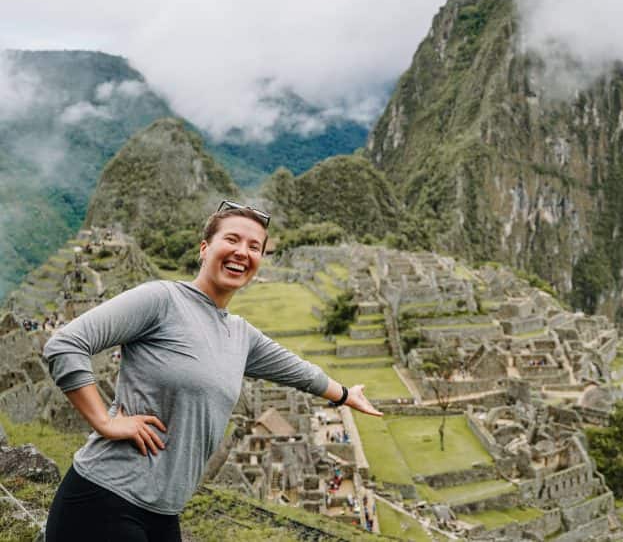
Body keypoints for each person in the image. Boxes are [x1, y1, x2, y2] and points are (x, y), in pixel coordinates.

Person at [42, 201, 382, 541]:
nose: (241, 252)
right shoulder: (162, 301)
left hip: (162, 510)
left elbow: (296, 370)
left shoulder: (240, 334)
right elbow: (65, 344)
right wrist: (105, 421)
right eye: (231, 239)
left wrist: (345, 395)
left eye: (254, 247)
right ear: (205, 248)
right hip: (105, 498)